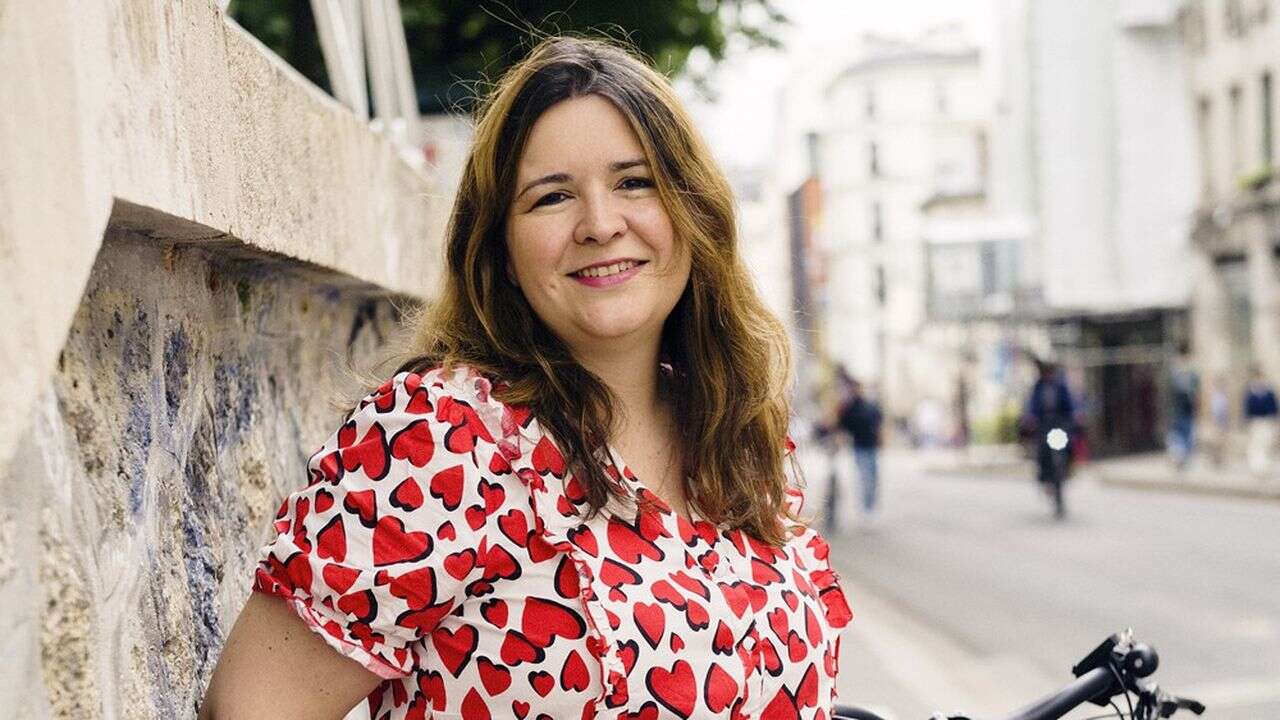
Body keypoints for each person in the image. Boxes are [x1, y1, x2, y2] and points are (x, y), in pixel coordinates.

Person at [198, 37, 852, 720]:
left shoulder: (735, 436)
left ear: (694, 213)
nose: (600, 224)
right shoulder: (443, 439)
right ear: (501, 251)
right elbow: (253, 710)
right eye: (551, 197)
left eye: (635, 182)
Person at [833, 368, 883, 520]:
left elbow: (879, 422)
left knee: (873, 478)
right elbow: (841, 426)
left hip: (872, 446)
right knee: (864, 477)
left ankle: (870, 506)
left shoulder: (870, 405)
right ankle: (866, 508)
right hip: (859, 447)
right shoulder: (849, 407)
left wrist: (881, 436)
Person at [1243, 365, 1279, 476]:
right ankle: (1257, 467)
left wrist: (1275, 420)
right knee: (1256, 445)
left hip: (1267, 420)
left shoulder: (1269, 391)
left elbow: (1274, 406)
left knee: (1266, 444)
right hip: (1255, 421)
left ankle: (1265, 467)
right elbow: (1247, 407)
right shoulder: (1250, 391)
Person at [1166, 358, 1199, 471]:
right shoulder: (1176, 384)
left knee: (1186, 439)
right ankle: (1179, 460)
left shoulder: (1187, 385)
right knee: (1178, 439)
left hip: (1185, 415)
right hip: (1178, 416)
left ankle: (1182, 461)